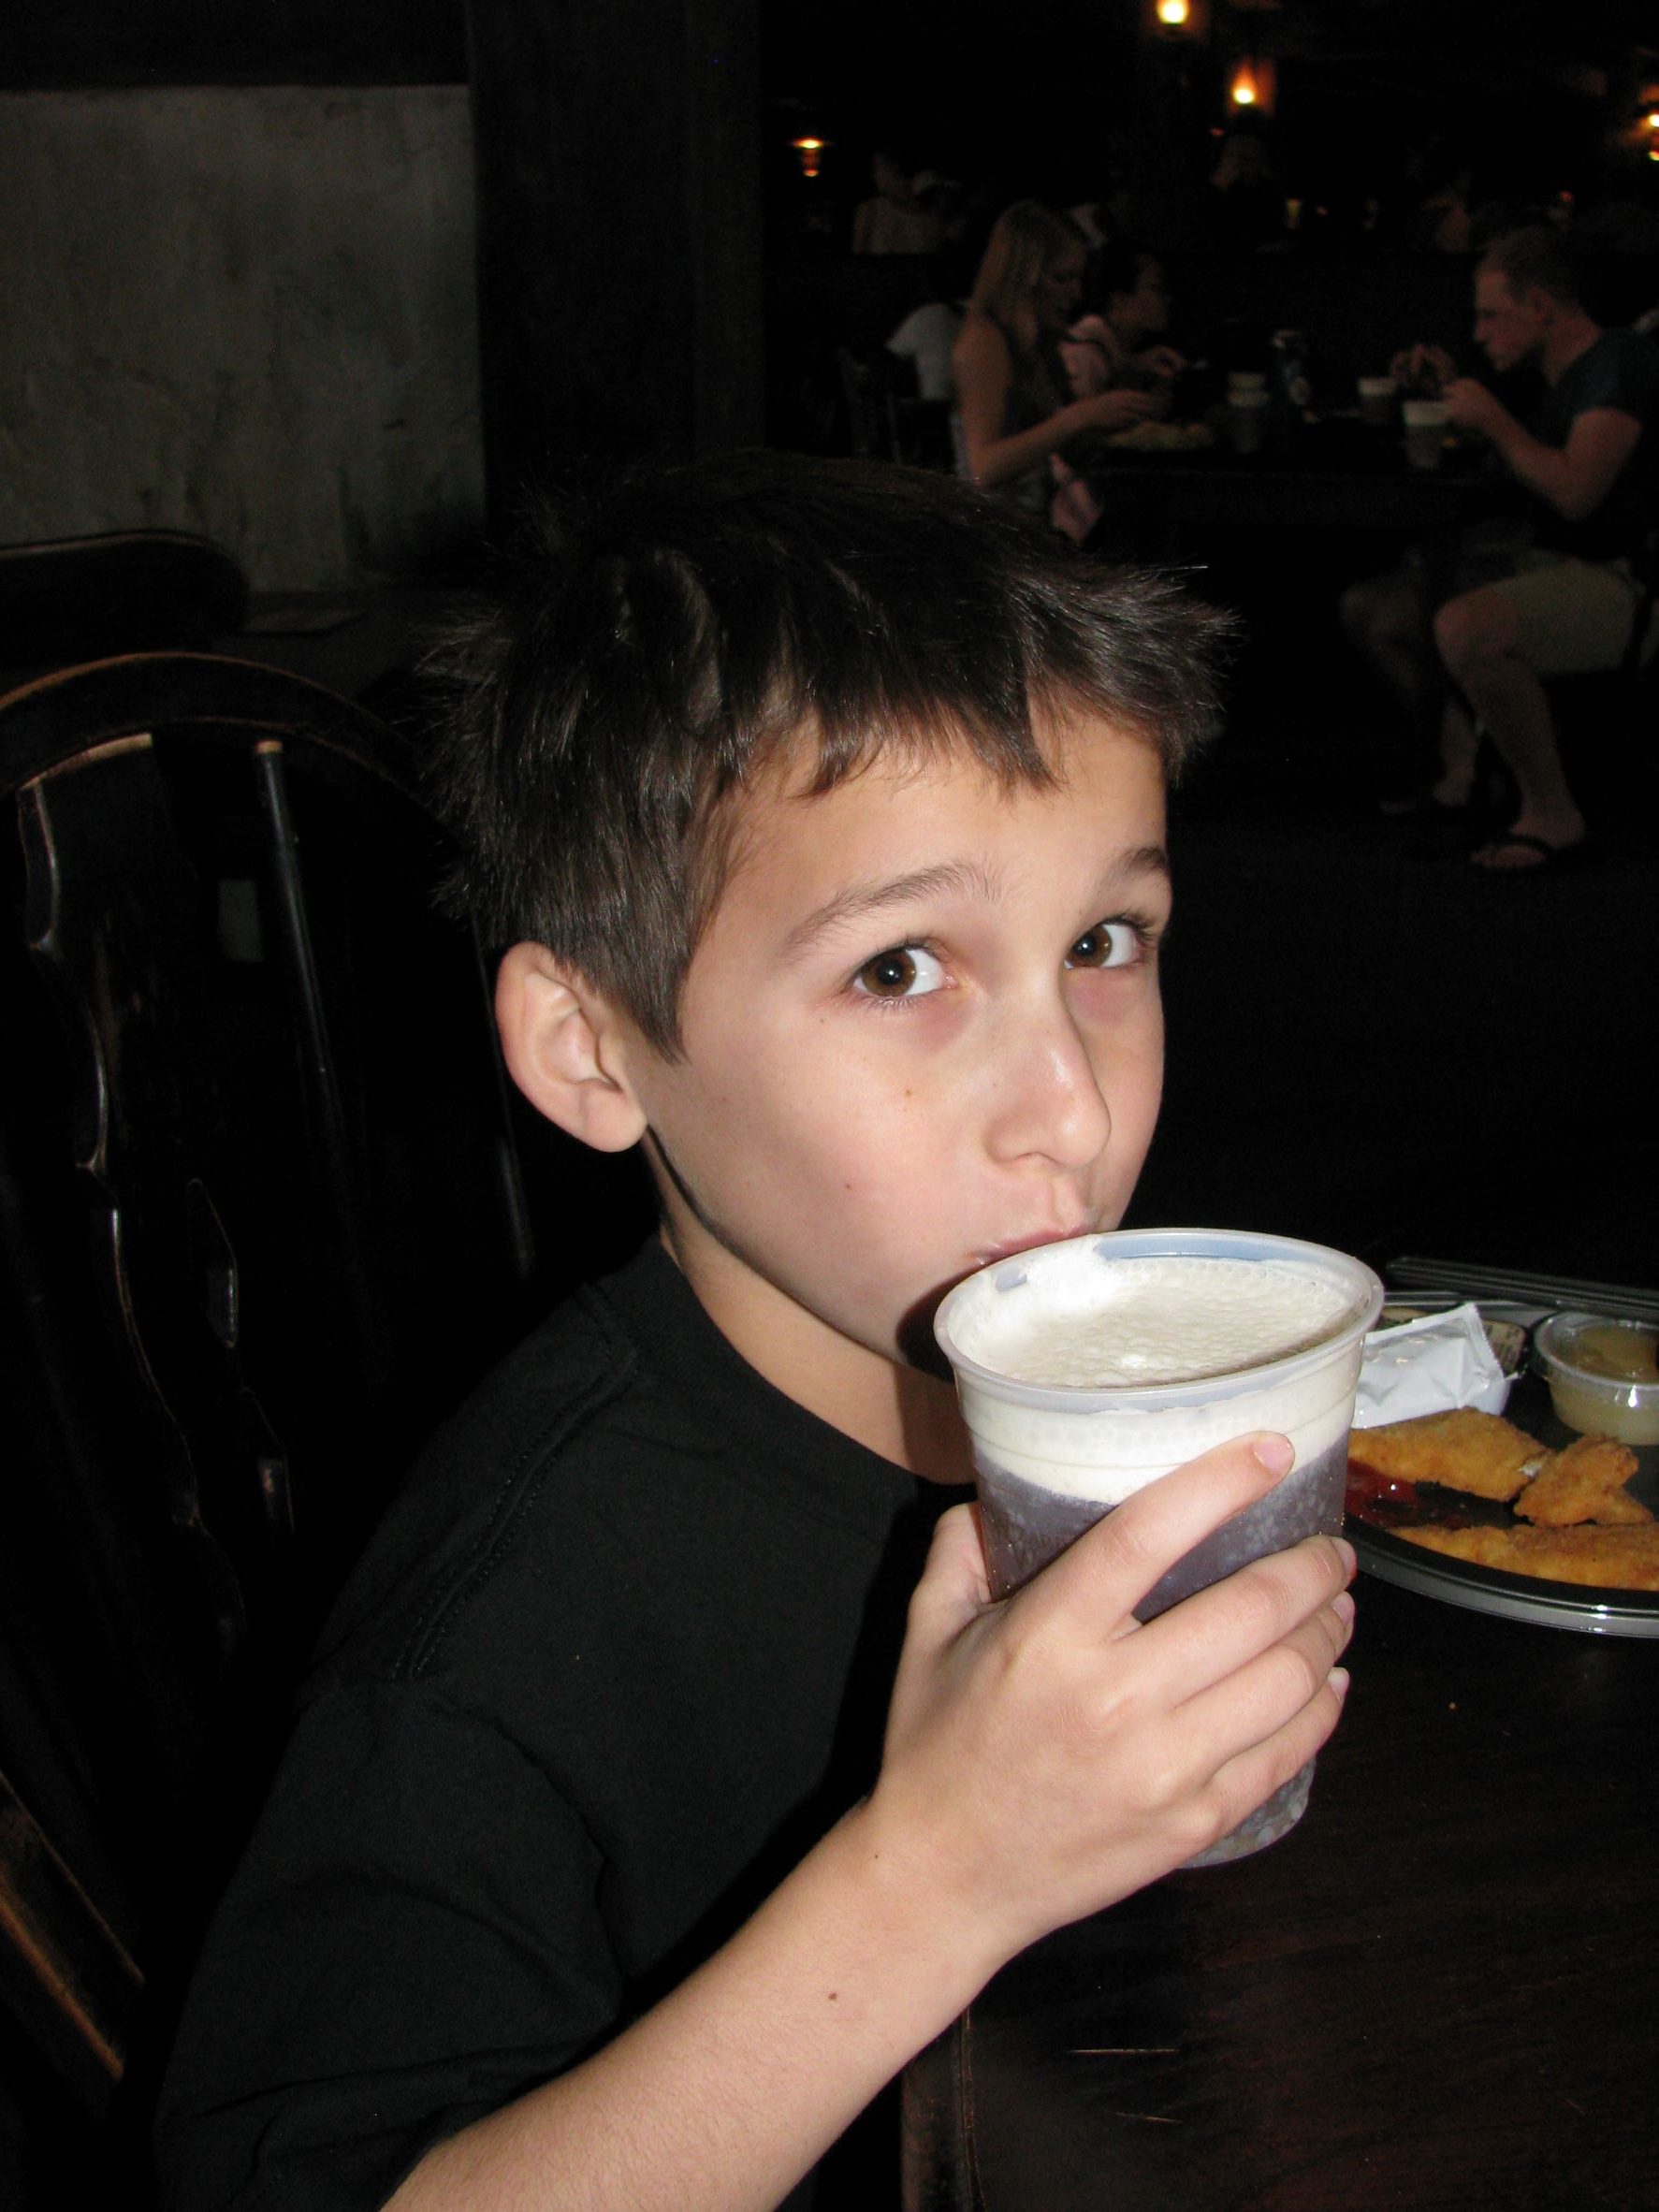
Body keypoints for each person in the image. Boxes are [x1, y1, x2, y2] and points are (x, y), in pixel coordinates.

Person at [155, 454, 1357, 2212]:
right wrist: (939, 1872)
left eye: (1105, 938)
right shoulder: (494, 1641)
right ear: (593, 1051)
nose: (1067, 1112)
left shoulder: (1116, 1397)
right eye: (899, 968)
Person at [1342, 226, 1659, 869]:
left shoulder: (1618, 360)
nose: (1481, 332)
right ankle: (1465, 772)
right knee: (1376, 611)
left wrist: (1492, 422)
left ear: (1540, 307)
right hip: (1550, 564)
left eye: (1491, 315)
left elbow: (1575, 492)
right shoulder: (1550, 379)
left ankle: (1551, 811)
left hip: (1628, 581)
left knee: (1465, 627)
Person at [952, 200, 1160, 543]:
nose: (1075, 294)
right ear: (1024, 276)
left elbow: (1060, 448)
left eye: (1078, 278)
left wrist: (1116, 415)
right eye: (1061, 278)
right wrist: (1079, 417)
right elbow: (984, 469)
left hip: (1032, 529)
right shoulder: (985, 339)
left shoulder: (1036, 343)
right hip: (991, 538)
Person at [1060, 242, 1186, 402]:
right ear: (1119, 299)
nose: (1167, 298)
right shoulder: (1083, 354)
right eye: (1156, 288)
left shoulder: (1115, 355)